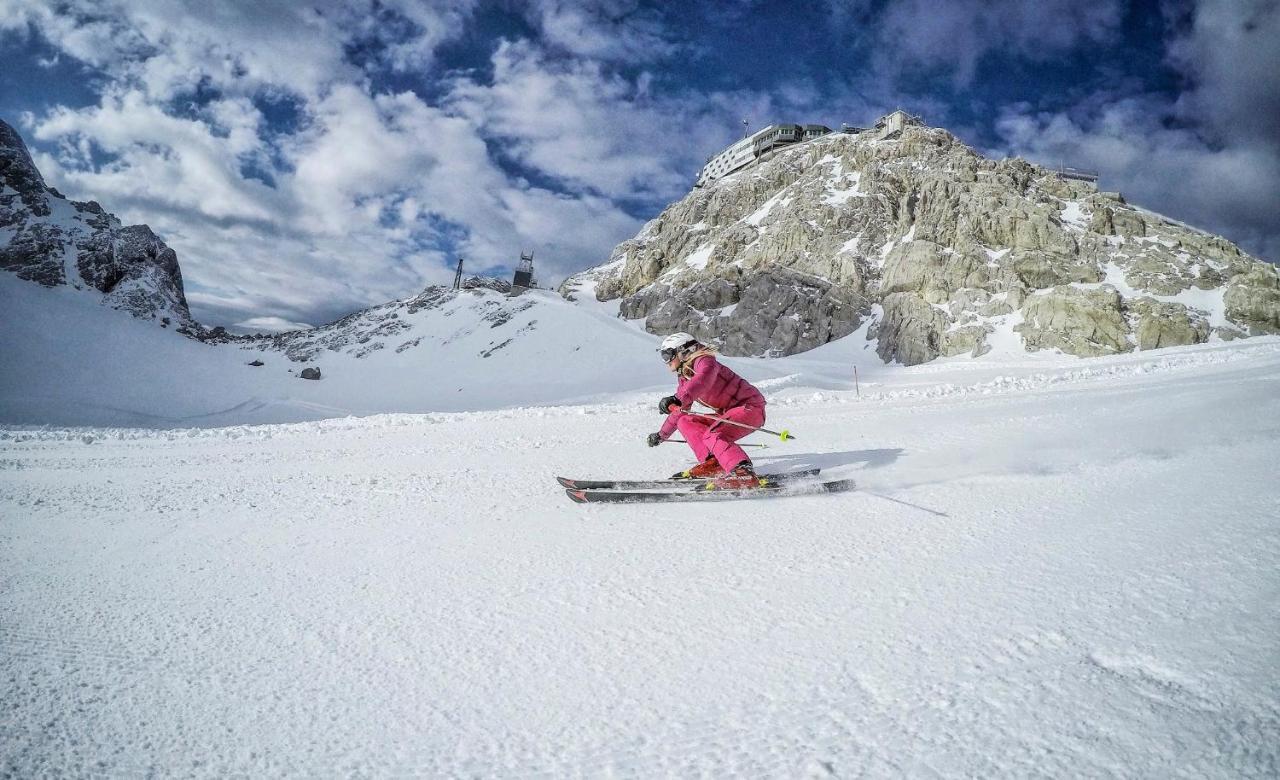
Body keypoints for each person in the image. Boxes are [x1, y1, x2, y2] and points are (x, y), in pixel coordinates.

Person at [647, 332, 766, 485]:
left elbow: (703, 379)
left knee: (714, 433)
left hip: (750, 408)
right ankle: (714, 463)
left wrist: (677, 398)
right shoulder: (685, 377)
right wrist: (661, 435)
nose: (666, 361)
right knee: (684, 420)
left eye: (668, 355)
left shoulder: (705, 362)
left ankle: (742, 470)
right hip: (727, 413)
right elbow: (680, 410)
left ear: (683, 351)